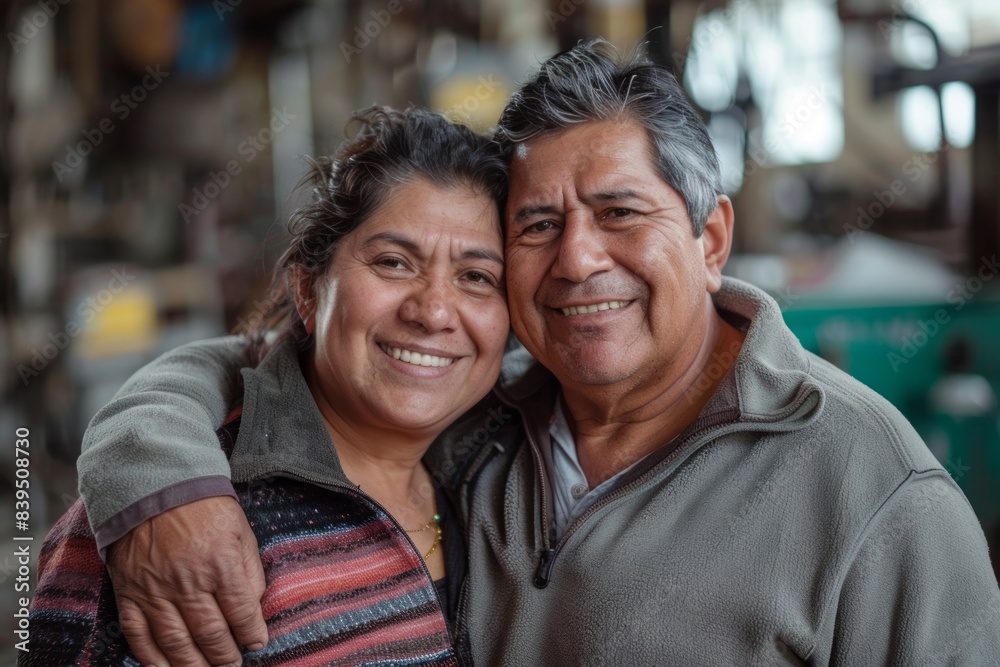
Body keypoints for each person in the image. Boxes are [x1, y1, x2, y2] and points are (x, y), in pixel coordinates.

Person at [76, 40, 1000, 666]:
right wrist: (158, 476)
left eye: (621, 213)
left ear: (712, 239)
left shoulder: (879, 499)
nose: (578, 259)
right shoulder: (482, 426)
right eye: (538, 224)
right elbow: (264, 362)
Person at [24, 105, 510, 666]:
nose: (434, 311)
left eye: (477, 277)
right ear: (308, 290)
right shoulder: (164, 524)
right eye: (394, 262)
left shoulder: (501, 466)